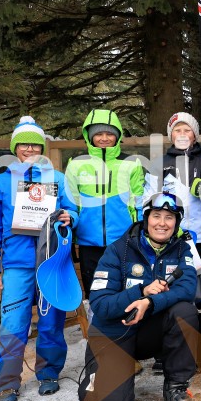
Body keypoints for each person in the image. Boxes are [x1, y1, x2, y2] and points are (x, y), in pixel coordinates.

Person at [78, 192, 199, 401]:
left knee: (185, 311)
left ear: (177, 222)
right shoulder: (117, 250)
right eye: (156, 216)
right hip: (115, 334)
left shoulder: (182, 249)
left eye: (169, 217)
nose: (162, 223)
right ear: (145, 218)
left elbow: (187, 288)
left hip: (150, 332)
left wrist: (151, 303)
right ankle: (109, 381)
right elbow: (100, 304)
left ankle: (175, 387)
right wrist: (141, 292)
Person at [0, 116, 78, 401]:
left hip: (52, 260)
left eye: (35, 144)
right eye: (22, 144)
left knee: (51, 320)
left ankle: (48, 372)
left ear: (42, 148)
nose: (28, 149)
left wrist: (68, 218)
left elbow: (74, 213)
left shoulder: (58, 180)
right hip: (16, 263)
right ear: (14, 147)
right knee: (13, 322)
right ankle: (6, 383)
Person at [145, 112, 201, 340]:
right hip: (169, 237)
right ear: (171, 135)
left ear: (194, 134)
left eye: (186, 130)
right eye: (177, 130)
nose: (182, 134)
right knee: (169, 286)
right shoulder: (159, 164)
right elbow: (148, 199)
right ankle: (169, 344)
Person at [65, 109, 144, 299]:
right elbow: (71, 204)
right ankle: (97, 327)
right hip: (88, 241)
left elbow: (140, 202)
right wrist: (71, 222)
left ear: (117, 136)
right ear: (89, 136)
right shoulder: (76, 164)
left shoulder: (132, 163)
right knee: (94, 291)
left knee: (124, 289)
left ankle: (127, 326)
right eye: (98, 133)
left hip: (123, 240)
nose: (104, 138)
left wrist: (140, 232)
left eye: (109, 133)